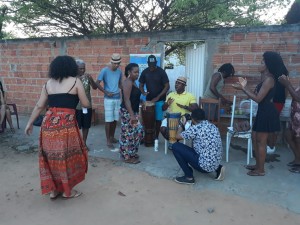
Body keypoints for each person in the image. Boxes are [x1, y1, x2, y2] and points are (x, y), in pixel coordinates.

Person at [25, 55, 90, 199]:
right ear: (71, 67)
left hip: (48, 125)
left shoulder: (48, 84)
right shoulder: (76, 81)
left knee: (51, 158)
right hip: (66, 126)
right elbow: (86, 104)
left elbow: (39, 106)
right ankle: (68, 191)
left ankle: (54, 191)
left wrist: (29, 123)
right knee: (66, 158)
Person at [233, 51, 281, 176]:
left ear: (267, 65)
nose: (259, 64)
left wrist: (244, 88)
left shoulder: (269, 79)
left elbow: (258, 98)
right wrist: (245, 87)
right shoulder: (264, 78)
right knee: (255, 138)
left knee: (261, 141)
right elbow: (257, 96)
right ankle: (258, 164)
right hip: (262, 111)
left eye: (261, 62)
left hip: (267, 112)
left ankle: (261, 170)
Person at [172, 108, 225, 184]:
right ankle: (218, 168)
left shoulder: (195, 129)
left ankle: (189, 177)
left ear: (193, 119)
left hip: (204, 167)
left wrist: (181, 124)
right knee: (205, 149)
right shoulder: (212, 126)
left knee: (176, 146)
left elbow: (177, 137)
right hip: (215, 163)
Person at [139, 55, 170, 151]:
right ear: (147, 63)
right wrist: (143, 92)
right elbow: (141, 84)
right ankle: (148, 137)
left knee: (157, 120)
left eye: (153, 64)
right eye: (150, 64)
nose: (151, 66)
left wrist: (158, 97)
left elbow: (167, 86)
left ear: (156, 63)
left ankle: (156, 137)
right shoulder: (145, 72)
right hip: (149, 101)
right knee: (148, 120)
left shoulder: (161, 72)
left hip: (160, 100)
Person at [119, 63, 144, 164]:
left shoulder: (133, 82)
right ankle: (127, 157)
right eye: (135, 72)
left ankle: (131, 152)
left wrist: (142, 102)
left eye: (138, 72)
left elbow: (134, 96)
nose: (137, 74)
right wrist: (132, 115)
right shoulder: (128, 83)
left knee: (136, 133)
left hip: (133, 111)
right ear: (129, 72)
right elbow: (126, 100)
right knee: (127, 134)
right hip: (128, 112)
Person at [160, 76, 198, 142]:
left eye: (179, 83)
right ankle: (173, 141)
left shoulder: (190, 96)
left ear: (184, 86)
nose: (176, 85)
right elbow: (163, 109)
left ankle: (173, 142)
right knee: (163, 129)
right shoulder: (170, 95)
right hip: (170, 118)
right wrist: (167, 103)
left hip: (183, 119)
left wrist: (185, 107)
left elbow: (196, 109)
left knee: (177, 130)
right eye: (176, 83)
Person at [97, 53, 122, 149]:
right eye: (115, 63)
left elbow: (120, 84)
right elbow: (97, 83)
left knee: (115, 119)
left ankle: (112, 137)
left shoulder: (119, 72)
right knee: (108, 120)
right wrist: (106, 92)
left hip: (117, 98)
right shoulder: (104, 71)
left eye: (118, 63)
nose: (116, 65)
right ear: (111, 62)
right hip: (108, 99)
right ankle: (108, 140)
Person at [278, 74, 300, 173]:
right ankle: (298, 159)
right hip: (295, 117)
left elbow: (298, 98)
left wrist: (287, 84)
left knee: (298, 140)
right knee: (288, 134)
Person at [75, 59, 98, 147]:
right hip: (76, 107)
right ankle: (77, 144)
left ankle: (84, 143)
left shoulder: (87, 77)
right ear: (76, 68)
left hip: (87, 106)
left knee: (86, 125)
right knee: (76, 126)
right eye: (80, 68)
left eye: (83, 68)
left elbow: (95, 87)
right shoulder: (73, 78)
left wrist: (91, 79)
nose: (82, 70)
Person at [267, 64, 289, 154]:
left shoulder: (276, 74)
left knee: (271, 125)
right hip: (279, 101)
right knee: (272, 124)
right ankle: (271, 145)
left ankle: (271, 146)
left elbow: (285, 89)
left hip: (275, 101)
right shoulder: (282, 71)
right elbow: (286, 91)